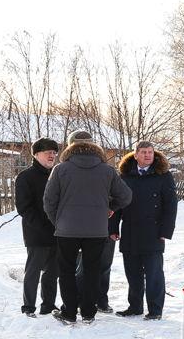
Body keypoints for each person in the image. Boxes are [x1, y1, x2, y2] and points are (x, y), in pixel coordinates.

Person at [44, 130, 132, 324]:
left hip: (67, 229)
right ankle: (89, 313)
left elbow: (49, 201)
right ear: (94, 148)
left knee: (66, 271)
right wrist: (111, 207)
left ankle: (68, 313)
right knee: (93, 270)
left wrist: (58, 222)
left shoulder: (60, 169)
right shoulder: (107, 170)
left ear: (70, 147)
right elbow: (125, 196)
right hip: (96, 229)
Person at [109, 141, 177, 320]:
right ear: (135, 155)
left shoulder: (163, 176)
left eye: (150, 152)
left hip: (153, 232)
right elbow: (116, 204)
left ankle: (155, 310)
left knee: (154, 274)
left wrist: (166, 230)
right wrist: (113, 227)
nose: (148, 155)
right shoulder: (124, 176)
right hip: (130, 231)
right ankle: (135, 306)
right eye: (144, 152)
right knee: (133, 272)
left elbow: (171, 206)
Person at [15, 137, 60, 317]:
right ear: (37, 154)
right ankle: (28, 307)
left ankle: (48, 305)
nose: (52, 156)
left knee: (52, 273)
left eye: (54, 153)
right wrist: (41, 226)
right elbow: (24, 207)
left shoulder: (58, 174)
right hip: (36, 232)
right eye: (48, 152)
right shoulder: (26, 176)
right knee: (33, 272)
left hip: (58, 231)